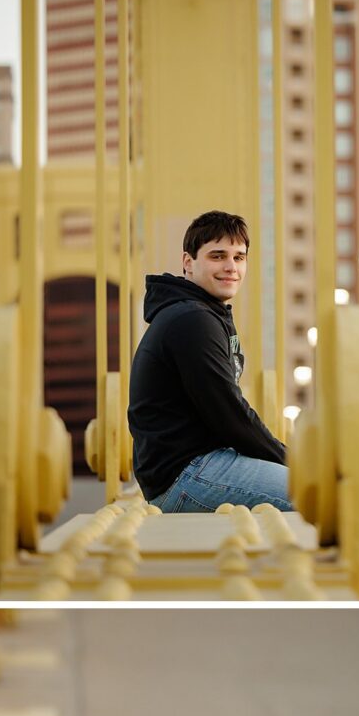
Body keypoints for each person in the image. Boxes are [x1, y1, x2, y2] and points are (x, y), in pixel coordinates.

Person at [128, 211, 293, 513]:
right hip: (188, 472)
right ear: (188, 262)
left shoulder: (202, 313)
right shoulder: (192, 320)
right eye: (218, 256)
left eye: (239, 257)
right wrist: (290, 459)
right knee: (322, 495)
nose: (231, 267)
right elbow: (230, 414)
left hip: (193, 466)